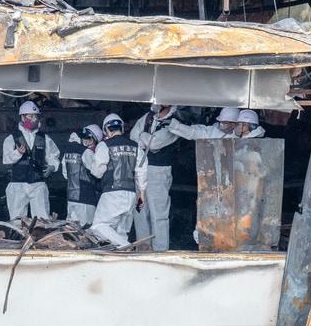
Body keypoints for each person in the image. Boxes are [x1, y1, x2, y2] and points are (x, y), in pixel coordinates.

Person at [131, 103, 181, 252]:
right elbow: (133, 135)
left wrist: (143, 138)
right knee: (140, 210)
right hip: (141, 168)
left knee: (158, 213)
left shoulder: (175, 121)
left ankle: (160, 249)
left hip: (159, 170)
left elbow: (155, 143)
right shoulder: (147, 117)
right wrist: (145, 139)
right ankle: (143, 247)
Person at [91, 113, 146, 247]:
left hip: (112, 192)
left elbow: (97, 172)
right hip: (132, 194)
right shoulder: (136, 146)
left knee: (98, 226)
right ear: (121, 128)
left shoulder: (105, 145)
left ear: (106, 130)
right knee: (121, 232)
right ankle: (123, 257)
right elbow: (142, 171)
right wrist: (141, 194)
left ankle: (127, 246)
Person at [1, 100, 60, 220]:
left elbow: (54, 155)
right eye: (30, 116)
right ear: (22, 117)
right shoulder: (12, 138)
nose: (34, 119)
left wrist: (52, 167)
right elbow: (6, 159)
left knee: (42, 220)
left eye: (35, 116)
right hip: (18, 184)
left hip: (38, 184)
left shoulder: (44, 138)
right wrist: (18, 153)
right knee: (17, 220)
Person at [62, 128, 103, 225]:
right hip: (86, 198)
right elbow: (97, 173)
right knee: (86, 232)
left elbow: (65, 174)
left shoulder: (68, 150)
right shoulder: (87, 152)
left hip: (71, 197)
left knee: (71, 231)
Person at [164, 106, 241, 141]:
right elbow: (194, 132)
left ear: (235, 124)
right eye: (221, 122)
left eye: (226, 123)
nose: (223, 125)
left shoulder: (244, 136)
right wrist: (175, 125)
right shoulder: (213, 131)